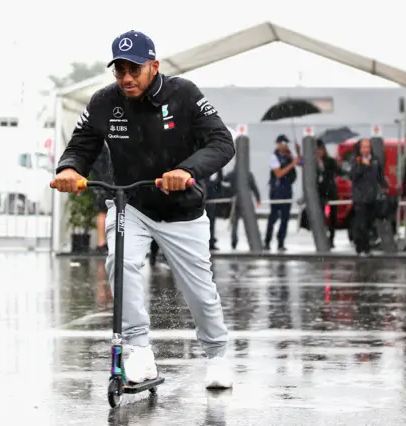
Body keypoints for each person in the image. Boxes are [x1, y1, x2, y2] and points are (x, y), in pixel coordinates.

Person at [52, 30, 235, 389]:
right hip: (130, 204)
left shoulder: (184, 94)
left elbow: (222, 142)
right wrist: (68, 170)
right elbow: (81, 145)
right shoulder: (104, 101)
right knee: (120, 262)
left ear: (154, 65)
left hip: (181, 209)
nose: (126, 78)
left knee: (199, 289)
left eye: (134, 69)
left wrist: (186, 170)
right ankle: (139, 352)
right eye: (119, 70)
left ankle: (217, 356)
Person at [350, 139, 387, 256]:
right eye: (363, 147)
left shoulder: (375, 160)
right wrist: (362, 165)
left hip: (373, 197)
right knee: (361, 224)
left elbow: (380, 176)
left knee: (369, 223)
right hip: (360, 197)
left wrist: (385, 186)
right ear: (359, 149)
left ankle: (367, 246)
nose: (366, 149)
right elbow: (352, 176)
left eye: (368, 147)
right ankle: (362, 248)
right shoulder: (355, 160)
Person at [264, 135, 301, 251]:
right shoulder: (274, 157)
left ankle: (281, 242)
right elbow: (279, 173)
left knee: (285, 218)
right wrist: (292, 164)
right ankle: (267, 241)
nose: (285, 145)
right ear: (278, 143)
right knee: (273, 217)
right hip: (276, 191)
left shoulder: (289, 156)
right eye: (283, 142)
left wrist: (298, 153)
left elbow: (302, 163)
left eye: (286, 143)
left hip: (287, 191)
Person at [221, 169, 261, 249]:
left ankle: (234, 243)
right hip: (246, 201)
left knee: (235, 224)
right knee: (249, 223)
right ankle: (252, 242)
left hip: (236, 201)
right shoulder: (248, 174)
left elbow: (223, 179)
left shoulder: (233, 174)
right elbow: (254, 187)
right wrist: (258, 199)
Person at [315, 139, 344, 248]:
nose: (319, 152)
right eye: (317, 150)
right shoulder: (313, 163)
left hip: (331, 191)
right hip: (320, 192)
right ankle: (322, 237)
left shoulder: (330, 161)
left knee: (333, 217)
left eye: (320, 149)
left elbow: (339, 172)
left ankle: (331, 239)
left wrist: (339, 165)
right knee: (321, 216)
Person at [90, 143, 114, 254]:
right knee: (105, 212)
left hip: (100, 182)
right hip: (107, 181)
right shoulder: (104, 146)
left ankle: (102, 243)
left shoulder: (96, 145)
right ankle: (103, 243)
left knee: (103, 212)